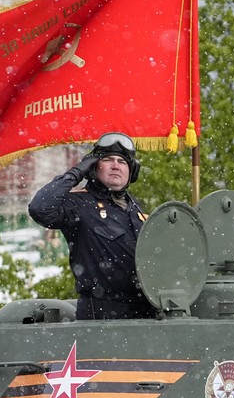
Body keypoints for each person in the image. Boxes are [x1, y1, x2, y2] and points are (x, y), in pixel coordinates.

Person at [29, 132, 157, 320]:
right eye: (108, 160)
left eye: (122, 162)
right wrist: (77, 172)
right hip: (102, 315)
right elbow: (40, 209)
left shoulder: (137, 208)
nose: (115, 166)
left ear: (132, 171)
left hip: (147, 312)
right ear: (93, 167)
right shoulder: (79, 204)